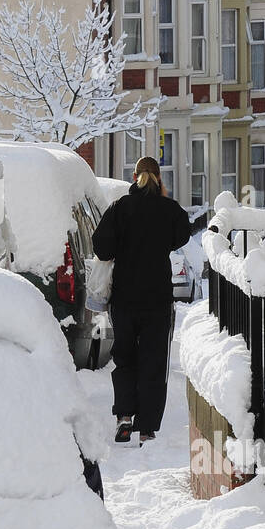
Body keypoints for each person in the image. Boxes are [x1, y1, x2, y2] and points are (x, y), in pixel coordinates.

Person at [92, 155, 193, 447]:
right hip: (157, 301)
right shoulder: (169, 210)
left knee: (124, 358)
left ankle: (124, 416)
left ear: (134, 177)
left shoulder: (120, 208)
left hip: (123, 300)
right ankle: (147, 427)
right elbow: (182, 236)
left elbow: (102, 247)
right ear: (159, 178)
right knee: (153, 361)